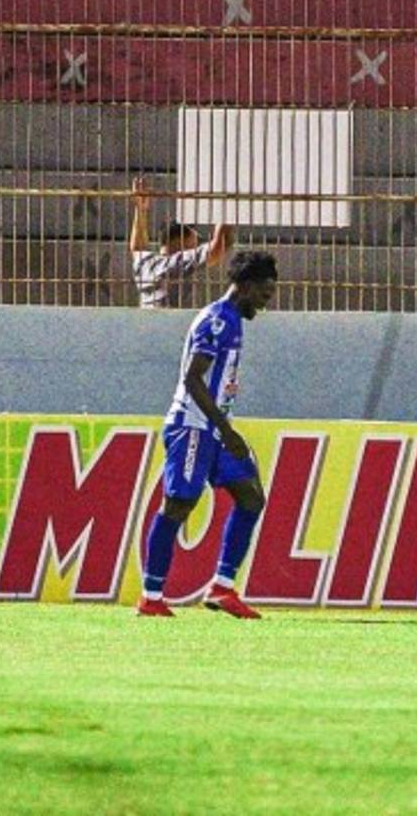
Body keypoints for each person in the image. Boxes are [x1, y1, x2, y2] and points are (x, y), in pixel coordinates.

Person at [138, 250, 278, 619]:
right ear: (245, 287)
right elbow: (192, 377)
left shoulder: (234, 319)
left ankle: (222, 587)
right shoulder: (217, 320)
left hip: (214, 429)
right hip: (194, 427)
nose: (264, 304)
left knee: (250, 497)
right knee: (178, 506)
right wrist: (225, 428)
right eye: (263, 295)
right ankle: (151, 596)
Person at [129, 176, 235, 308]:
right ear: (181, 241)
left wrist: (140, 209)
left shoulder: (148, 264)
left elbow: (137, 248)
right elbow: (219, 246)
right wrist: (228, 205)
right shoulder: (178, 263)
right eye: (195, 242)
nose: (197, 246)